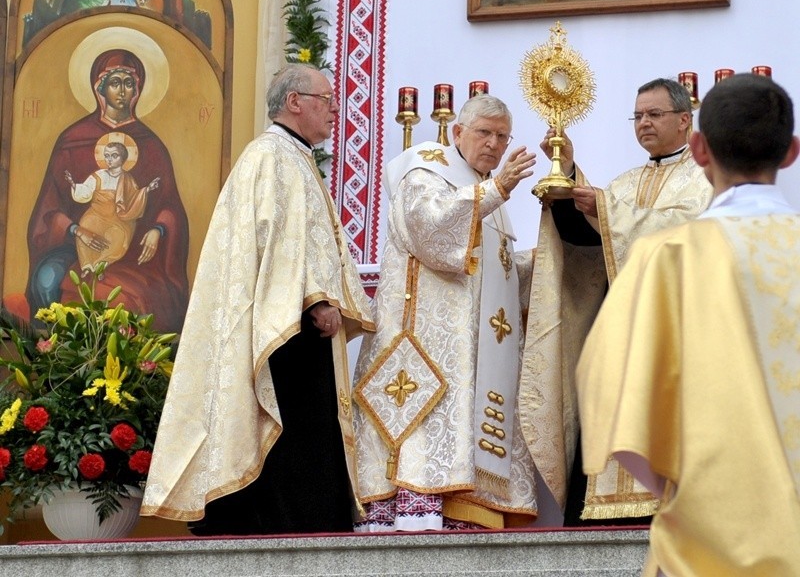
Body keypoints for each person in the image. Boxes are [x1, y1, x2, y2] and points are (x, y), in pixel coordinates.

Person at [577, 73, 800, 575]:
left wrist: (676, 489)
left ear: (698, 149)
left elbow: (604, 388)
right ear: (790, 152)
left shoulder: (667, 256)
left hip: (704, 548)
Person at [141, 64, 375, 535]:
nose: (335, 110)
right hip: (286, 329)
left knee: (308, 437)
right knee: (291, 436)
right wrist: (314, 300)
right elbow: (278, 239)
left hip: (292, 324)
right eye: (326, 99)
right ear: (294, 102)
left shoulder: (293, 157)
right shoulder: (272, 157)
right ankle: (289, 533)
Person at [520, 77, 713, 525]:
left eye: (654, 114)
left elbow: (688, 228)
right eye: (638, 116)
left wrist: (605, 209)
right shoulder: (625, 184)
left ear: (685, 120)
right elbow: (586, 244)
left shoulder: (706, 177)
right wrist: (566, 175)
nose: (643, 123)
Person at [352, 94, 540, 531]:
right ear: (457, 133)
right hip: (426, 349)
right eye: (484, 133)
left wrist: (548, 257)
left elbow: (497, 273)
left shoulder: (482, 187)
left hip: (471, 351)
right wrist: (495, 190)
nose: (494, 144)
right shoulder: (425, 171)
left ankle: (472, 514)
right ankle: (415, 517)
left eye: (502, 136)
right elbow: (432, 235)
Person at [26, 48, 190, 332]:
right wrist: (77, 231)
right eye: (115, 82)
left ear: (138, 90)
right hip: (74, 246)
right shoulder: (73, 139)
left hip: (133, 249)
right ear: (99, 88)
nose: (122, 91)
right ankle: (52, 359)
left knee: (147, 297)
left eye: (129, 83)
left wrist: (158, 230)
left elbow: (169, 204)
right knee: (46, 280)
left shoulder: (150, 144)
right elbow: (49, 208)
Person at [66, 140, 160, 275]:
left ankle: (101, 264)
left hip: (118, 219)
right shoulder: (98, 175)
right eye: (107, 155)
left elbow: (134, 198)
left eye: (114, 155)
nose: (109, 159)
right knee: (86, 225)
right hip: (96, 214)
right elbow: (86, 191)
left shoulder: (127, 179)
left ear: (123, 158)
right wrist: (75, 186)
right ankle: (87, 266)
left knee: (118, 236)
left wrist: (147, 190)